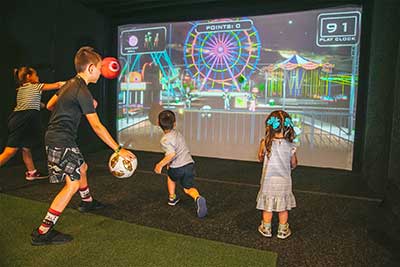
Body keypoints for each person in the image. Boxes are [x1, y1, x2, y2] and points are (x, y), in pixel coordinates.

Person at [31, 46, 135, 246]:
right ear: (90, 69)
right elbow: (96, 126)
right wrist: (119, 149)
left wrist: (78, 103)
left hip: (59, 138)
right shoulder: (82, 90)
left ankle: (87, 202)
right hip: (61, 140)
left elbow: (52, 105)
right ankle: (43, 232)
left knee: (83, 168)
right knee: (71, 185)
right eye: (98, 68)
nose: (101, 72)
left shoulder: (71, 84)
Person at [0, 67, 65, 180]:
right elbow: (58, 85)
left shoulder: (21, 89)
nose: (38, 77)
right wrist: (75, 82)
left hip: (21, 119)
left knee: (26, 147)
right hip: (22, 120)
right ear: (29, 77)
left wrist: (46, 106)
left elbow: (36, 104)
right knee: (10, 152)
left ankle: (32, 172)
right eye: (36, 75)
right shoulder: (35, 86)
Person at [154, 110, 207, 218]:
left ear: (158, 123)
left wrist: (160, 164)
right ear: (174, 124)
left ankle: (172, 198)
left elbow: (171, 154)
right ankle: (197, 197)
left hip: (177, 168)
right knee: (188, 188)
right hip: (189, 165)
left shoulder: (164, 140)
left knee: (170, 176)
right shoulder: (177, 133)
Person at [256, 110, 297, 239]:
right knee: (283, 207)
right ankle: (283, 230)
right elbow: (294, 163)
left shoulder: (265, 143)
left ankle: (266, 228)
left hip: (268, 181)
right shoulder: (290, 145)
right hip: (284, 182)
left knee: (267, 206)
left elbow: (260, 158)